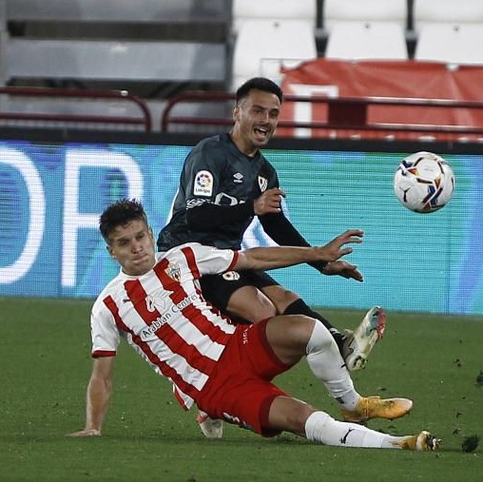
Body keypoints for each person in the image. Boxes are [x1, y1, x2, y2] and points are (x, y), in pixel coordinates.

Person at [70, 199, 438, 451]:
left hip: (239, 344)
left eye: (139, 237)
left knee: (311, 330)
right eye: (123, 243)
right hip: (215, 386)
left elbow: (253, 257)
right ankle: (396, 443)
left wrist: (317, 254)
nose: (136, 247)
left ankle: (353, 404)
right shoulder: (109, 305)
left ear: (150, 233)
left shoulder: (185, 256)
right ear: (111, 251)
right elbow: (102, 375)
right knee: (302, 419)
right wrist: (93, 426)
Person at [157, 77, 385, 374]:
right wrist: (251, 206)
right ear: (237, 113)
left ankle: (341, 344)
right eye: (258, 111)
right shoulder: (210, 153)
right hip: (187, 257)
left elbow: (275, 225)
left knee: (286, 299)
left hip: (228, 257)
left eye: (273, 114)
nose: (266, 121)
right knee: (262, 311)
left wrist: (322, 262)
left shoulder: (264, 172)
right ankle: (230, 386)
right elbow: (196, 217)